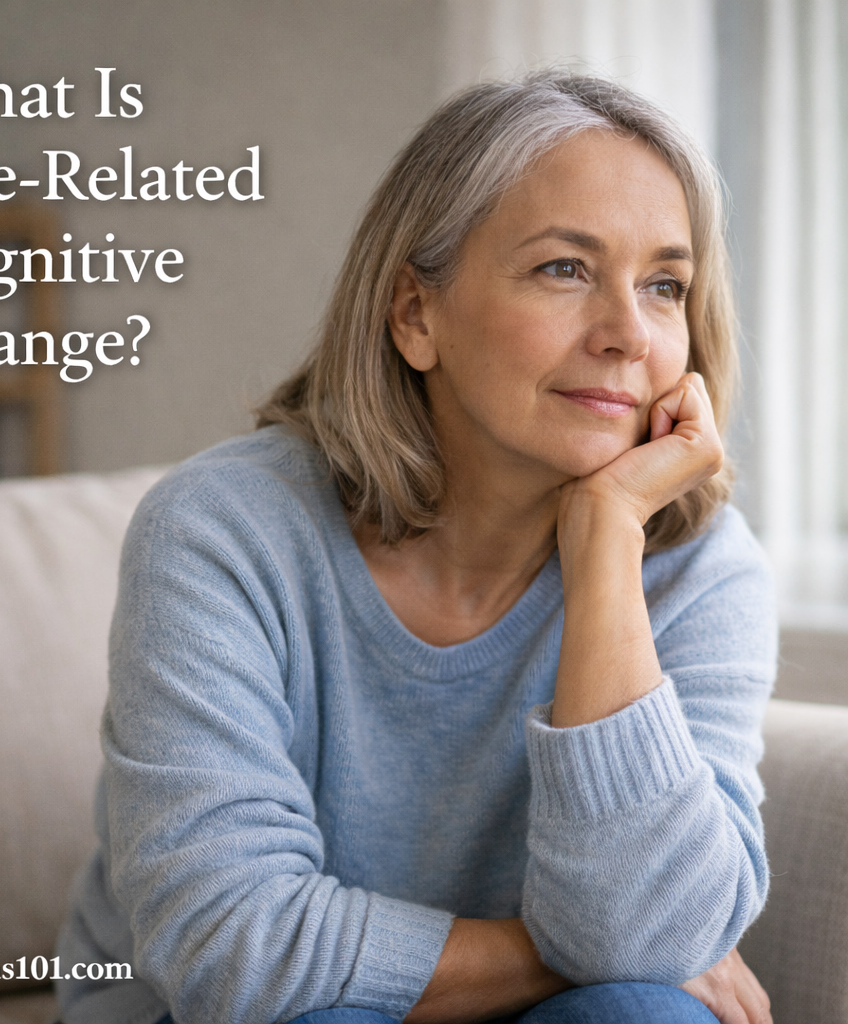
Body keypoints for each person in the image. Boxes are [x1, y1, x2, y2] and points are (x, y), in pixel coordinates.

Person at [55, 71, 777, 1024]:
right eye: (564, 269)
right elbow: (230, 952)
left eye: (664, 286)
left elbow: (653, 948)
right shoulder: (221, 529)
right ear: (415, 315)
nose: (628, 335)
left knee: (645, 1015)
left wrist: (605, 547)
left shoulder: (700, 566)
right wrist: (569, 950)